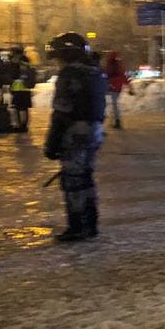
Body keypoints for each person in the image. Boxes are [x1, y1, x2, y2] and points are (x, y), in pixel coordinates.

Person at [42, 32, 107, 242]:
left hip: (73, 133)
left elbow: (61, 111)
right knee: (86, 177)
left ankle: (77, 226)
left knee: (72, 181)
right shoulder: (96, 72)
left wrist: (52, 142)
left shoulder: (69, 74)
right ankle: (91, 223)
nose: (58, 62)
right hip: (94, 131)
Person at [9, 45, 37, 133]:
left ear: (17, 54)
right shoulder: (26, 63)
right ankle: (23, 125)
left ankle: (21, 125)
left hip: (19, 89)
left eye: (13, 53)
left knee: (20, 108)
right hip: (23, 89)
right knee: (22, 108)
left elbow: (14, 75)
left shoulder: (18, 64)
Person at [104, 51, 134, 129]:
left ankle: (116, 121)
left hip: (110, 87)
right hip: (117, 88)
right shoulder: (119, 66)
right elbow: (124, 77)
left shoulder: (110, 65)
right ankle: (115, 121)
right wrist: (130, 88)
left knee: (111, 104)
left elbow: (106, 76)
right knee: (114, 104)